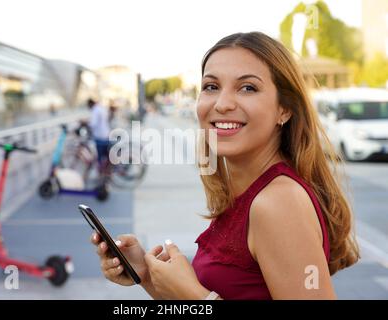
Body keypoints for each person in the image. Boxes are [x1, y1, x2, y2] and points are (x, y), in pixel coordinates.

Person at [90, 32, 360, 300]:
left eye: (248, 88)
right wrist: (147, 275)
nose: (222, 104)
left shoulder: (279, 203)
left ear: (284, 110)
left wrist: (196, 298)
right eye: (211, 86)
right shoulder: (246, 194)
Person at [87, 98, 111, 177]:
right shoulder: (101, 108)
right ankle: (105, 172)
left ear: (90, 104)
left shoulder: (95, 110)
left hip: (99, 135)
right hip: (105, 133)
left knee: (100, 157)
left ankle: (102, 174)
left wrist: (85, 123)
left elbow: (93, 124)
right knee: (105, 155)